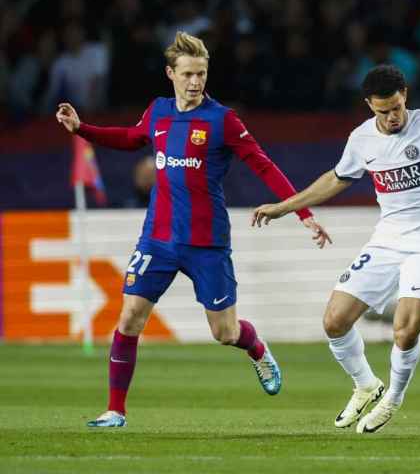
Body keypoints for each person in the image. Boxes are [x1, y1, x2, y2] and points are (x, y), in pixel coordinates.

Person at [56, 31, 328, 429]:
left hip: (207, 243)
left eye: (201, 73)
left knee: (224, 331)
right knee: (130, 316)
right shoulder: (158, 112)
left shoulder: (223, 120)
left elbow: (263, 165)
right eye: (187, 74)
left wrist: (302, 213)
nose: (195, 82)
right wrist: (83, 129)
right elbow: (130, 138)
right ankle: (116, 410)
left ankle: (257, 349)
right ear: (171, 73)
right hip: (158, 239)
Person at [251, 64, 420, 433]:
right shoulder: (361, 139)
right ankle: (367, 384)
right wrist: (284, 206)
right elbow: (336, 179)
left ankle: (393, 399)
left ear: (406, 97)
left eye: (397, 107)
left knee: (404, 331)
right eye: (382, 111)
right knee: (334, 321)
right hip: (387, 240)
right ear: (369, 104)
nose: (392, 117)